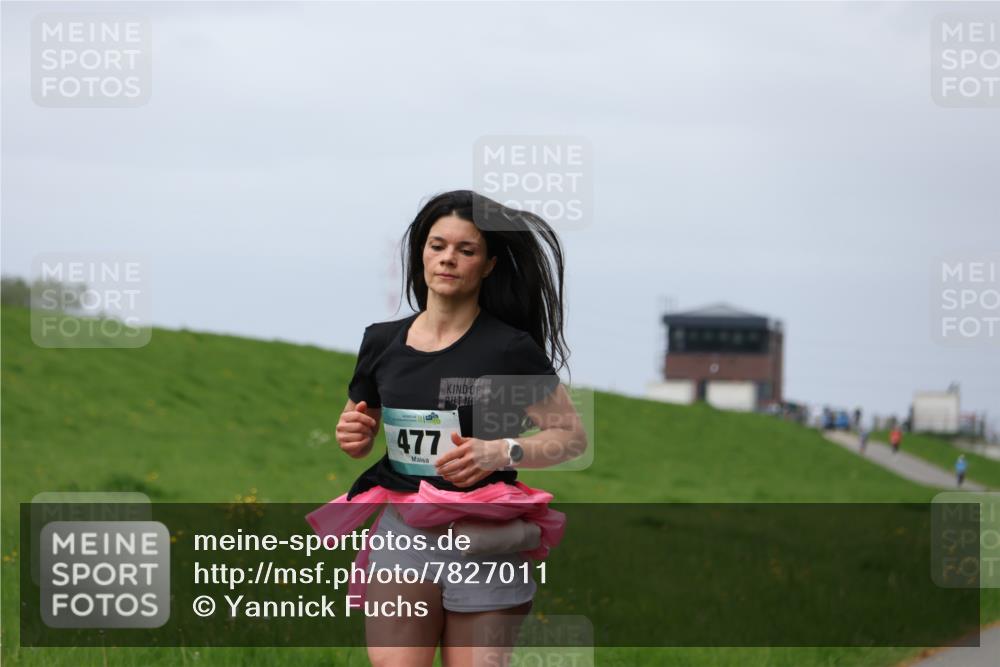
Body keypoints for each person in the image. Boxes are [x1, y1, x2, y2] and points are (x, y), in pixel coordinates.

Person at [306, 191, 588, 667]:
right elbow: (361, 429)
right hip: (403, 535)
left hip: (483, 540)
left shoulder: (508, 349)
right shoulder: (381, 341)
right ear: (421, 253)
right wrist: (353, 434)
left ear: (489, 264)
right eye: (437, 246)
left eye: (466, 250)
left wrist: (500, 452)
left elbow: (570, 438)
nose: (448, 259)